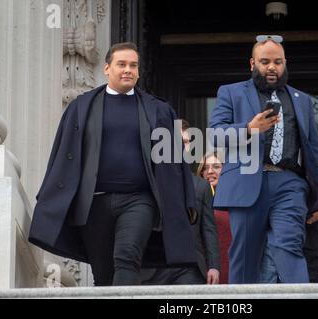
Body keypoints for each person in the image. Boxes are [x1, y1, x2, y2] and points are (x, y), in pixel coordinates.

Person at [28, 42, 198, 286]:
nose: (128, 70)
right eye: (122, 64)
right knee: (103, 272)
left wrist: (187, 201)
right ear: (107, 68)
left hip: (140, 200)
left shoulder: (159, 110)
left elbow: (176, 162)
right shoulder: (80, 108)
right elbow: (62, 154)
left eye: (133, 65)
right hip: (93, 202)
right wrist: (49, 196)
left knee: (127, 258)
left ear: (139, 72)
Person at [209, 35, 318, 284]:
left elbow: (313, 151)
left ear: (285, 63)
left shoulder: (301, 100)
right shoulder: (231, 93)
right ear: (252, 64)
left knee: (289, 245)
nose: (272, 67)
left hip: (289, 184)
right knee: (245, 255)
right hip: (247, 182)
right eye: (265, 61)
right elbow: (215, 134)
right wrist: (249, 129)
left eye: (278, 62)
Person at [140, 120, 221, 285]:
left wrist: (214, 266)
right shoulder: (147, 182)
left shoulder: (202, 186)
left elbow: (209, 230)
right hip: (153, 266)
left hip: (190, 266)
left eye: (186, 142)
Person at [197, 151, 232, 284]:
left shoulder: (237, 201)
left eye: (216, 167)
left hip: (232, 269)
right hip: (207, 271)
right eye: (205, 168)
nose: (210, 171)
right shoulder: (195, 201)